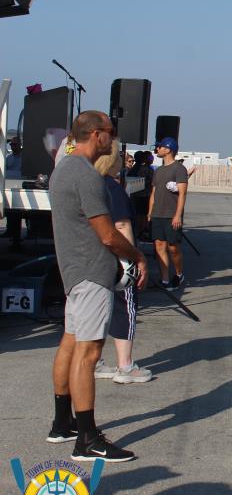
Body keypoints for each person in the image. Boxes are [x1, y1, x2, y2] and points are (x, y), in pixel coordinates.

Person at [47, 111, 147, 462]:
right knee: (88, 353)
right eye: (111, 132)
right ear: (96, 134)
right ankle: (88, 439)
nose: (113, 138)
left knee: (71, 345)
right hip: (91, 273)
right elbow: (107, 234)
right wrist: (138, 256)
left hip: (74, 271)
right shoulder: (87, 175)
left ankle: (63, 423)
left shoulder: (63, 169)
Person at [94, 142, 152, 384]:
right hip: (119, 260)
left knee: (95, 311)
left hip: (93, 259)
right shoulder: (113, 188)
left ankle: (94, 361)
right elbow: (121, 226)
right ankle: (125, 366)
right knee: (125, 308)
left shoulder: (90, 185)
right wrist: (135, 258)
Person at [148, 136, 188, 288]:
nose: (157, 149)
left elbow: (182, 193)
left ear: (168, 149)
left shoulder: (179, 169)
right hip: (157, 214)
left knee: (173, 248)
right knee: (159, 246)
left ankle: (178, 274)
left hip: (171, 215)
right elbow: (153, 193)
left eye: (160, 147)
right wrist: (149, 213)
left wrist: (178, 215)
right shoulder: (158, 170)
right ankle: (164, 280)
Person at [128, 150, 155, 240]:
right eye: (150, 157)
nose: (151, 159)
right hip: (143, 196)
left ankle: (141, 231)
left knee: (141, 215)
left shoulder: (135, 168)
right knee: (142, 216)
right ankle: (140, 232)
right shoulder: (145, 169)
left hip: (138, 196)